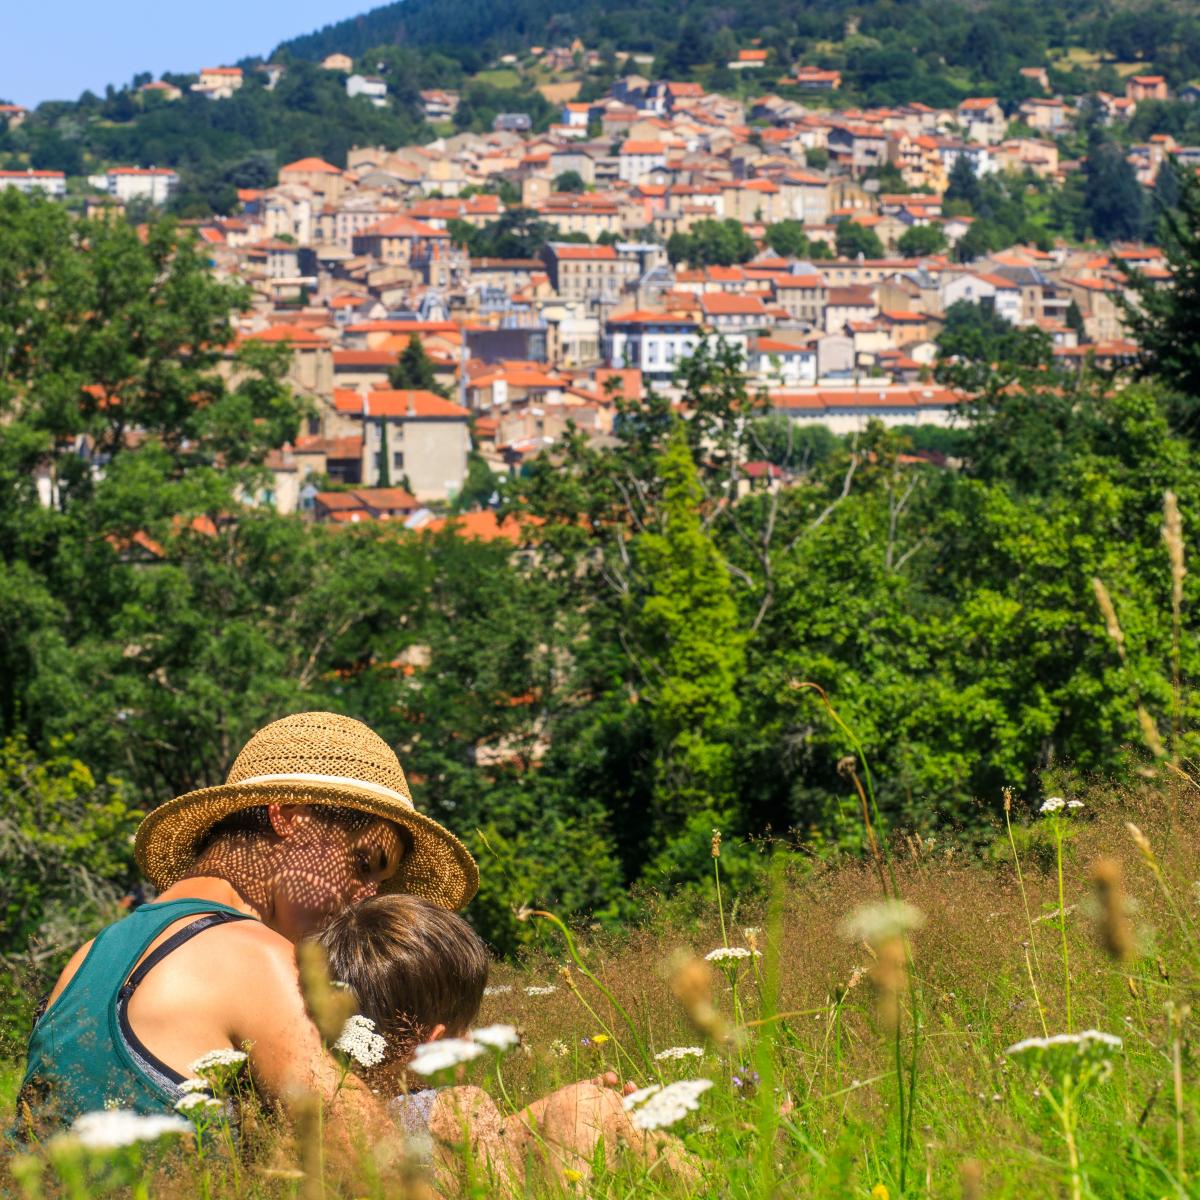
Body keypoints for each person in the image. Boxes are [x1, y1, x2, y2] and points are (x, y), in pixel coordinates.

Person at [317, 894, 693, 1189]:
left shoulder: (337, 1124)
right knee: (607, 1107)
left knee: (582, 1105)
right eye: (466, 1029)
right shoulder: (460, 1109)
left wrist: (555, 1111)